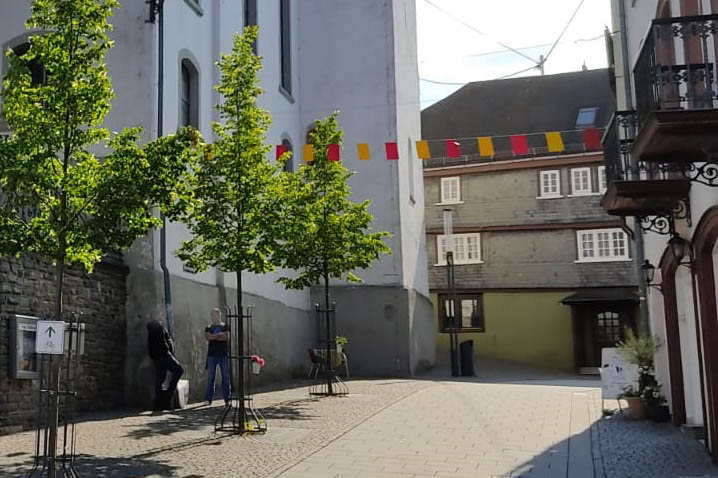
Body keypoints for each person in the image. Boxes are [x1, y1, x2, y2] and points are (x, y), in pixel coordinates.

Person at [146, 319, 184, 410]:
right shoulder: (157, 327)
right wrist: (166, 351)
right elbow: (161, 342)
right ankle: (166, 397)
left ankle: (160, 403)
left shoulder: (156, 327)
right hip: (163, 354)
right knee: (178, 370)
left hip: (160, 355)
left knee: (161, 378)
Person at [205, 308, 231, 406]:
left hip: (223, 355)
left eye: (215, 315)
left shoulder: (225, 326)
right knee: (211, 378)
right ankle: (208, 399)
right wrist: (219, 335)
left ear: (219, 315)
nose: (213, 317)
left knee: (226, 377)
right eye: (212, 315)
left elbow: (227, 337)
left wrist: (214, 336)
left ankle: (227, 399)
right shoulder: (208, 327)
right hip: (212, 355)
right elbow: (208, 337)